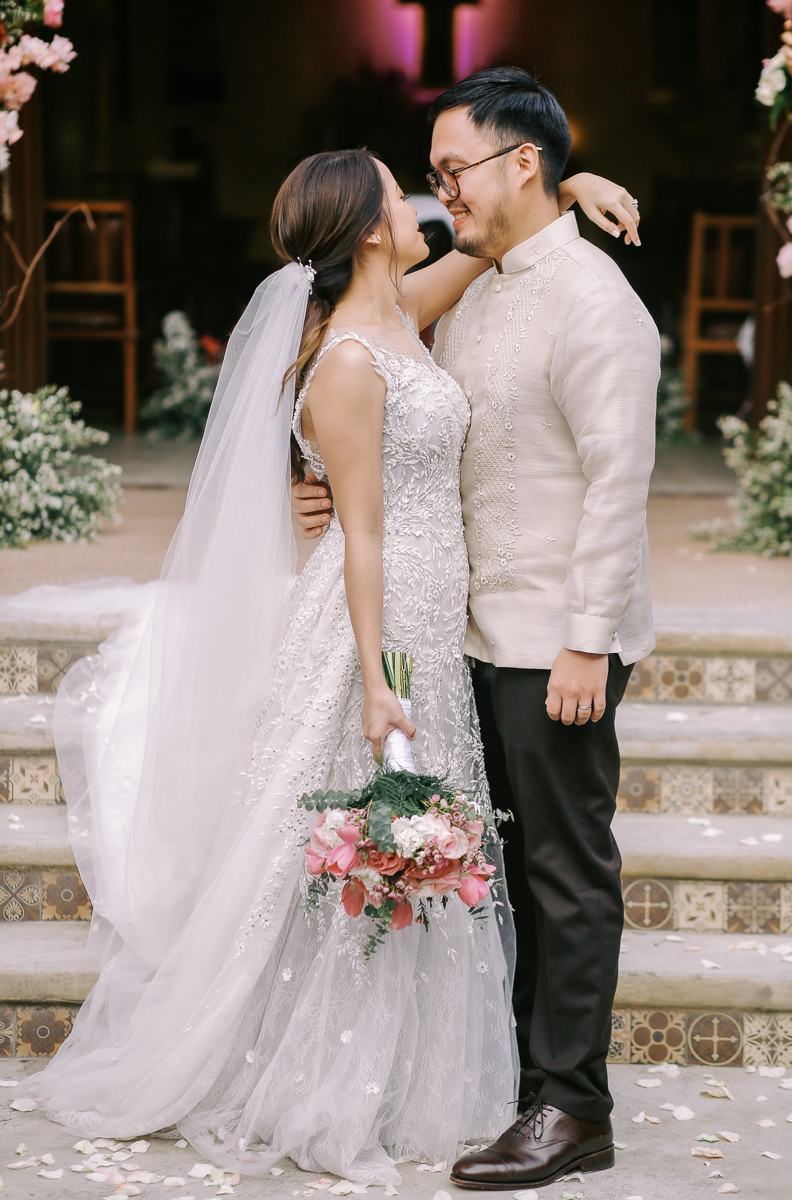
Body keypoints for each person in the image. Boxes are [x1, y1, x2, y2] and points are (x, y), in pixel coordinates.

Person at [17, 146, 630, 1182]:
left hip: (433, 616)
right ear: (372, 229)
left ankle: (397, 1067)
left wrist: (564, 185)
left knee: (408, 838)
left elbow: (486, 249)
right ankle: (322, 1071)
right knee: (352, 837)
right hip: (374, 627)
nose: (423, 202)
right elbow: (362, 532)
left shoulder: (399, 312)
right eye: (400, 191)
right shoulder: (347, 357)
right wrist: (378, 677)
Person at [294, 68, 660, 1190]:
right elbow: (364, 379)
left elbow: (619, 482)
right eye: (431, 174)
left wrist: (588, 639)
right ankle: (524, 1083)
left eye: (453, 169)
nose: (439, 190)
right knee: (502, 874)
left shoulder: (594, 301)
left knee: (565, 872)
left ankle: (573, 1110)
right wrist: (319, 486)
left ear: (520, 163)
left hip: (554, 640)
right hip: (468, 638)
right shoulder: (476, 281)